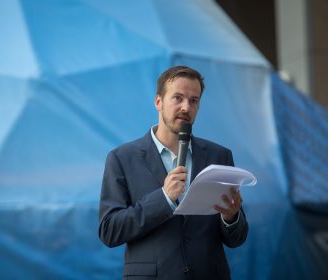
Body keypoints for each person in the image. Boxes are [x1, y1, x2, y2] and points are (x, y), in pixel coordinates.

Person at [98, 66, 248, 280]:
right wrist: (164, 198)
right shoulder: (122, 158)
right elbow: (109, 231)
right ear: (158, 102)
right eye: (177, 98)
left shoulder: (219, 156)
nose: (186, 107)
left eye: (194, 100)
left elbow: (237, 239)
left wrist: (231, 217)